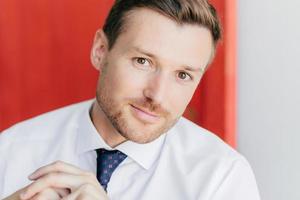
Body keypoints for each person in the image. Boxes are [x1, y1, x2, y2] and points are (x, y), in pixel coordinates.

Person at [0, 0, 261, 199]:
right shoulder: (11, 150)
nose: (157, 96)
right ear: (101, 51)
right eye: (143, 61)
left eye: (182, 75)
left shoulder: (222, 178)